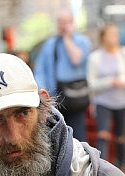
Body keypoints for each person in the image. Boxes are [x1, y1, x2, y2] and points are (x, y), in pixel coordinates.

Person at [86, 23, 125, 172]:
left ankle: (122, 169)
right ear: (103, 37)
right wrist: (109, 82)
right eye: (111, 34)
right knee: (103, 135)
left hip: (122, 100)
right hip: (103, 100)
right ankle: (101, 170)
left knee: (121, 137)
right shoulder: (95, 57)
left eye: (116, 34)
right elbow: (91, 83)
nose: (115, 37)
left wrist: (121, 81)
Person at [33, 8, 91, 141]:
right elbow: (40, 70)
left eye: (66, 22)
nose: (62, 26)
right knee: (56, 136)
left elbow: (76, 59)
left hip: (75, 97)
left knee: (78, 136)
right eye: (60, 22)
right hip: (55, 97)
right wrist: (41, 92)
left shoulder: (82, 41)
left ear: (72, 23)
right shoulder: (50, 44)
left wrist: (67, 38)